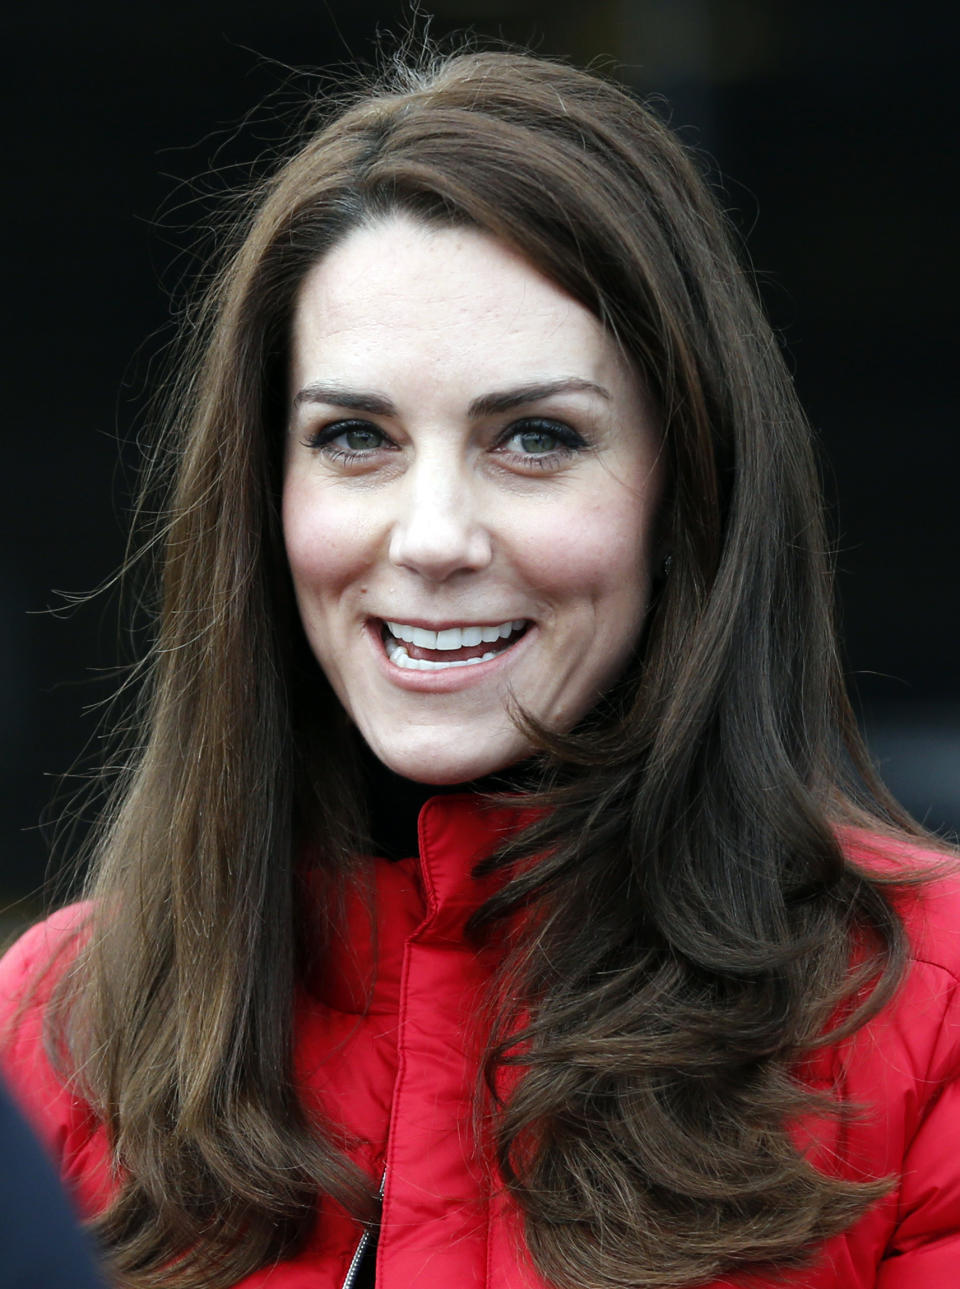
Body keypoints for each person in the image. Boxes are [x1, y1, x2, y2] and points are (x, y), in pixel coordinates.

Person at [1, 46, 958, 1289]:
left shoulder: (932, 1010)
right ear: (262, 493)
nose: (434, 536)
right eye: (355, 437)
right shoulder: (54, 1025)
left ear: (688, 492)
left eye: (536, 438)